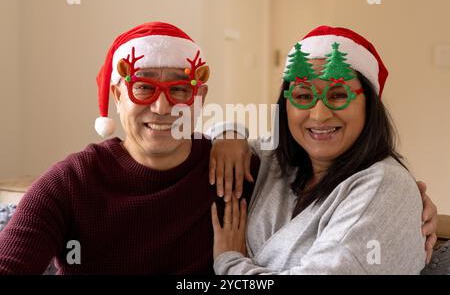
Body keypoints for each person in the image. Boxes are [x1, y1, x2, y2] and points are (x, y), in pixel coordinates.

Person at [0, 21, 256, 274]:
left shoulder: (236, 170)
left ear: (200, 98)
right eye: (144, 88)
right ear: (118, 95)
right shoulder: (72, 181)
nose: (162, 108)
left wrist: (233, 133)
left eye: (179, 89)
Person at [210, 26, 438, 274]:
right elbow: (187, 149)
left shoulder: (386, 186)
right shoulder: (277, 162)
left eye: (339, 95)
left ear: (370, 104)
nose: (319, 114)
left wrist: (229, 262)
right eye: (304, 95)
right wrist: (227, 135)